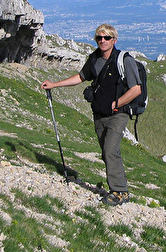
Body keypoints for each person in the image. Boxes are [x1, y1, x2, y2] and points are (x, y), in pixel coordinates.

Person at [41, 23, 142, 206]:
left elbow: (136, 89)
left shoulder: (124, 60)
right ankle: (117, 187)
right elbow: (80, 77)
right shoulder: (94, 59)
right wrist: (55, 84)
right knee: (106, 151)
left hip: (119, 113)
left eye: (107, 38)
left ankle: (120, 191)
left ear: (114, 40)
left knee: (110, 149)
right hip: (99, 113)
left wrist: (117, 103)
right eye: (99, 38)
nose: (102, 41)